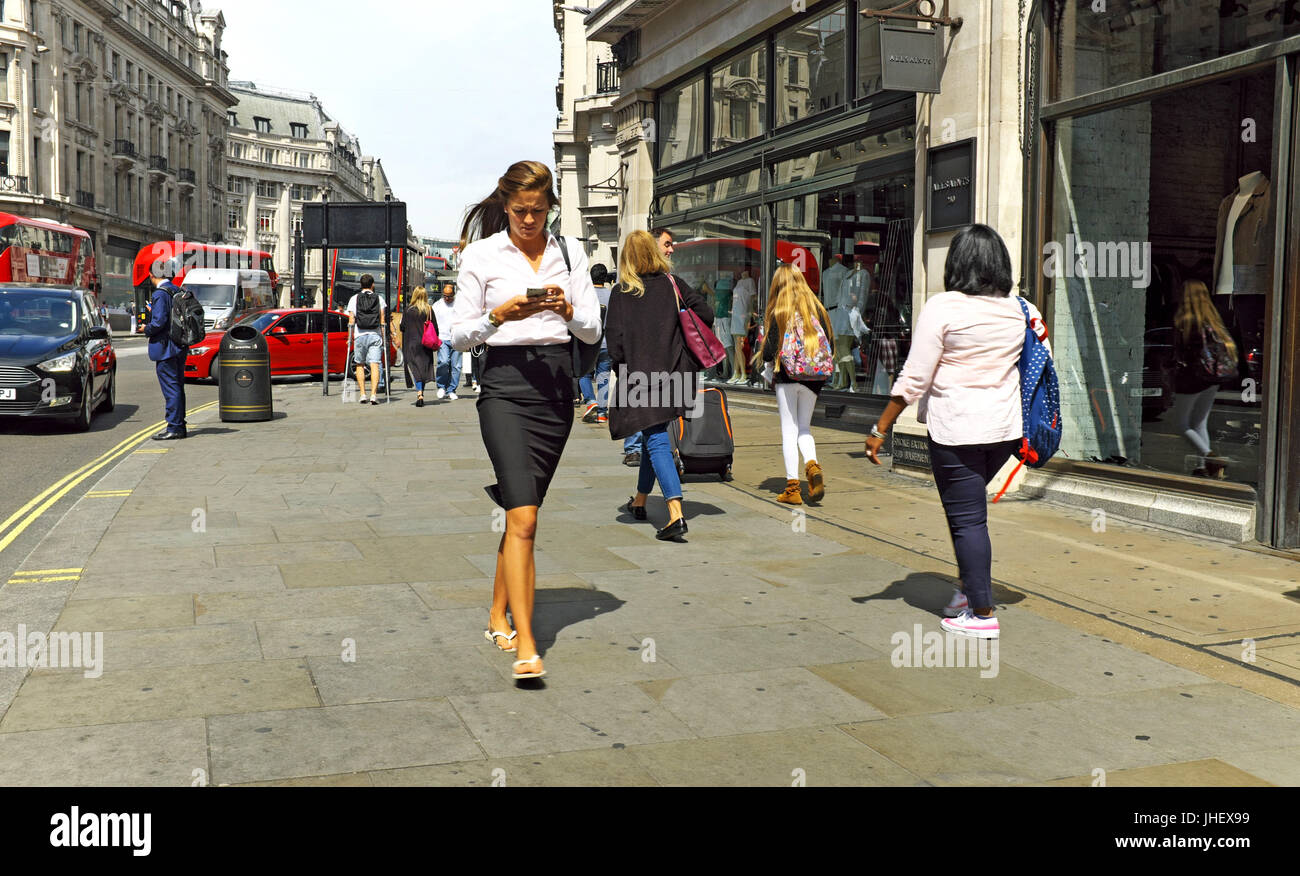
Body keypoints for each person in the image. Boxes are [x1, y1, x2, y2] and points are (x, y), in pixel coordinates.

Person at [450, 159, 601, 681]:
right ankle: (528, 645)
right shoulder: (481, 254)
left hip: (557, 389)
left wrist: (564, 310)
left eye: (539, 211)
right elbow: (458, 335)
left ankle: (496, 613)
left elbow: (590, 331)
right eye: (519, 211)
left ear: (551, 207)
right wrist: (499, 316)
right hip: (505, 388)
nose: (529, 220)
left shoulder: (570, 251)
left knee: (522, 513)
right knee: (527, 518)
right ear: (505, 205)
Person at [865, 224, 1049, 641]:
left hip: (958, 431)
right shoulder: (1023, 309)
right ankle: (969, 590)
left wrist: (881, 426)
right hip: (1004, 430)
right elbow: (1040, 367)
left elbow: (914, 376)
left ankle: (983, 614)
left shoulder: (944, 307)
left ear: (957, 264)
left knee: (967, 520)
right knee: (966, 513)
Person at [605, 229, 714, 542]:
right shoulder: (672, 284)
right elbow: (705, 313)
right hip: (674, 373)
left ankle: (675, 514)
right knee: (654, 431)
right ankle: (641, 499)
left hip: (641, 376)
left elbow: (615, 343)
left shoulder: (622, 291)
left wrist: (623, 369)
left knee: (654, 437)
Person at [756, 264, 833, 505]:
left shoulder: (780, 310)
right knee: (805, 429)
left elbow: (768, 353)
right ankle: (812, 466)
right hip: (814, 379)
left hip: (787, 377)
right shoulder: (817, 309)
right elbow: (829, 342)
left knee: (789, 430)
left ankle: (792, 488)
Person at [1171, 279, 1236, 478]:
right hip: (1213, 378)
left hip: (1193, 378)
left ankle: (1210, 457)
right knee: (1199, 422)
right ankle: (1202, 468)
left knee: (1180, 424)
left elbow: (1183, 354)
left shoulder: (1187, 320)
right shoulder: (1213, 320)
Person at [145, 257, 189, 440]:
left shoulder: (159, 293)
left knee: (171, 388)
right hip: (179, 346)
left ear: (151, 275)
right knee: (178, 386)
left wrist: (145, 329)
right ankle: (180, 424)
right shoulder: (176, 290)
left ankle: (174, 427)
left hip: (166, 348)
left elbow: (159, 322)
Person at [346, 274, 387, 405]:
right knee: (375, 364)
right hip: (375, 334)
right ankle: (374, 395)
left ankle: (363, 394)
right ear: (372, 284)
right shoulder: (379, 298)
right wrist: (384, 335)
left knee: (360, 364)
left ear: (360, 285)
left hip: (359, 335)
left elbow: (351, 320)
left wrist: (350, 337)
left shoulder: (354, 299)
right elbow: (382, 320)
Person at [581, 263, 614, 424]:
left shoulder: (585, 295)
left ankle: (590, 401)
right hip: (606, 343)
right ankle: (602, 413)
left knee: (583, 374)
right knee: (604, 378)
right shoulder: (611, 296)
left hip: (588, 341)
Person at [399, 286, 437, 407]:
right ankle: (421, 393)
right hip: (425, 344)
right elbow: (435, 328)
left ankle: (419, 393)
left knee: (415, 369)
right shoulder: (429, 310)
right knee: (423, 368)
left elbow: (402, 327)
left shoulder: (408, 310)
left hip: (411, 343)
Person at [432, 282, 461, 400]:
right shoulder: (437, 305)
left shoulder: (459, 305)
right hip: (442, 338)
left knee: (456, 366)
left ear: (454, 294)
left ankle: (451, 389)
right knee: (443, 362)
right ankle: (441, 386)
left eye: (449, 296)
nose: (447, 298)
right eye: (445, 295)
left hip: (456, 338)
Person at [728, 269, 757, 384]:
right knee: (736, 347)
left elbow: (752, 299)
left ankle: (743, 374)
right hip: (735, 315)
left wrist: (750, 315)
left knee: (739, 346)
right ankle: (736, 373)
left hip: (742, 315)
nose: (742, 272)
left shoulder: (750, 282)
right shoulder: (739, 282)